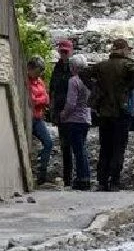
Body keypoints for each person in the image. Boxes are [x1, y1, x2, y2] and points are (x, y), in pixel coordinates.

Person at [90, 38, 134, 192]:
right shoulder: (127, 65)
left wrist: (95, 88)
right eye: (127, 49)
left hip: (104, 113)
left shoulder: (102, 66)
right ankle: (114, 182)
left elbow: (84, 73)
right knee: (118, 148)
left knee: (105, 147)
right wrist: (127, 88)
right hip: (121, 111)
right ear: (123, 49)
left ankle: (102, 181)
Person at [59, 54, 93, 190]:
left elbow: (71, 103)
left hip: (74, 119)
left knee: (78, 150)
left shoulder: (74, 81)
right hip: (86, 118)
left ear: (74, 67)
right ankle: (85, 177)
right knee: (82, 148)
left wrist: (63, 114)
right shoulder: (89, 81)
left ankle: (82, 178)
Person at [49, 39, 75, 186]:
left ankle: (74, 177)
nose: (63, 54)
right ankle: (67, 178)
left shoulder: (74, 68)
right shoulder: (57, 68)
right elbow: (53, 89)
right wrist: (53, 111)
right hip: (60, 111)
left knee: (75, 145)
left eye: (65, 52)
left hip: (72, 112)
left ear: (70, 52)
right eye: (62, 52)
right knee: (65, 145)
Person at [26, 57, 54, 185]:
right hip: (28, 117)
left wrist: (39, 99)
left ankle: (41, 172)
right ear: (30, 69)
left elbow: (46, 99)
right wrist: (40, 99)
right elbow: (30, 100)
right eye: (38, 70)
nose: (40, 74)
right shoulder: (25, 81)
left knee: (48, 143)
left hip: (38, 117)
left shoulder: (39, 81)